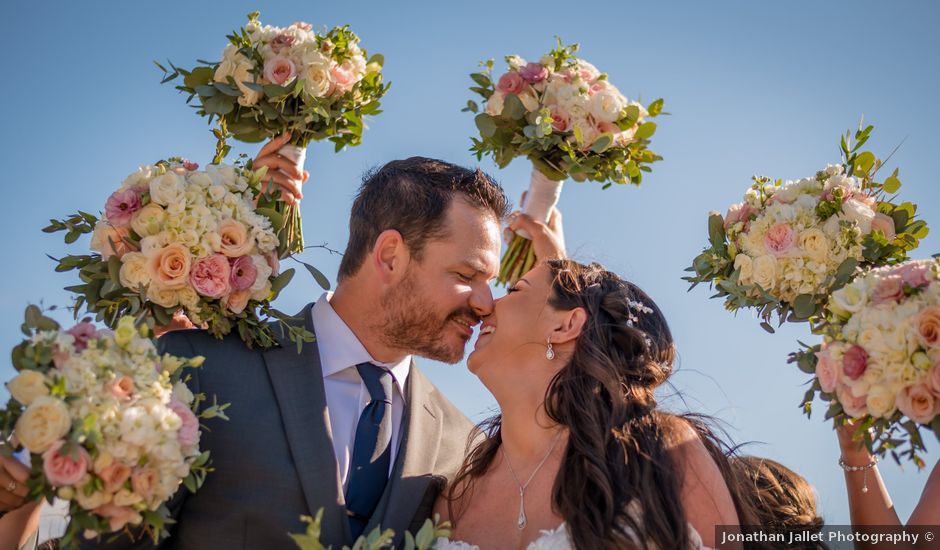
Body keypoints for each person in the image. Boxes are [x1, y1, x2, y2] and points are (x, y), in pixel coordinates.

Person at [0, 140, 512, 548]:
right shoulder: (197, 367)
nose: (487, 302)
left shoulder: (464, 445)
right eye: (468, 274)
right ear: (391, 255)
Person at [433, 214, 741, 549]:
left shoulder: (663, 453)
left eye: (514, 290)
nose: (487, 306)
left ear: (566, 327)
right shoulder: (454, 495)